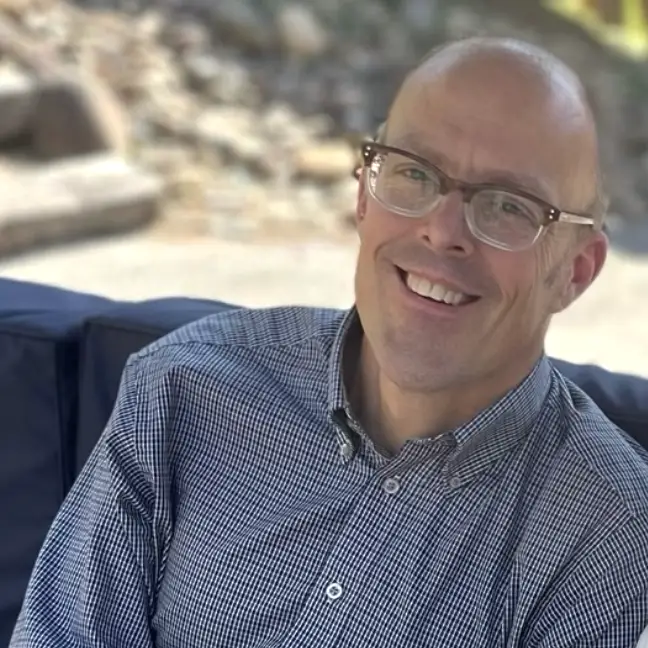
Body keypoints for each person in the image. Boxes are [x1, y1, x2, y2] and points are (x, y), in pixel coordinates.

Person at [10, 37, 648, 648]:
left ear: (576, 272)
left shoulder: (608, 532)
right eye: (414, 174)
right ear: (364, 198)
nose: (442, 231)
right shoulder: (184, 389)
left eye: (510, 207)